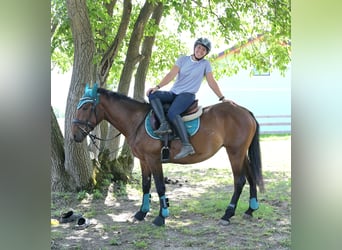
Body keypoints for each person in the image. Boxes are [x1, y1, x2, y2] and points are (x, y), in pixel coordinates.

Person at [146, 37, 236, 160]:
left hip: (187, 95)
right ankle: (164, 124)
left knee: (173, 112)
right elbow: (171, 74)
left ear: (206, 53)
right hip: (174, 93)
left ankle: (186, 145)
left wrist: (222, 98)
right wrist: (157, 87)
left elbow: (211, 81)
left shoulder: (205, 64)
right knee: (152, 94)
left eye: (204, 50)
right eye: (199, 47)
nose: (200, 50)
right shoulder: (183, 59)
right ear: (194, 47)